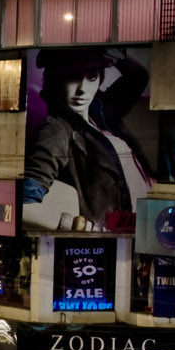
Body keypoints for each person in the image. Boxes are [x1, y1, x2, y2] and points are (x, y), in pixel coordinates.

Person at [23, 47, 152, 230]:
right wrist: (83, 227)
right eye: (72, 77)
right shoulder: (57, 130)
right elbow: (25, 204)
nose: (83, 89)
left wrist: (119, 57)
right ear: (56, 80)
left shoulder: (101, 112)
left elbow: (138, 77)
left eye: (91, 77)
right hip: (110, 234)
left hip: (137, 224)